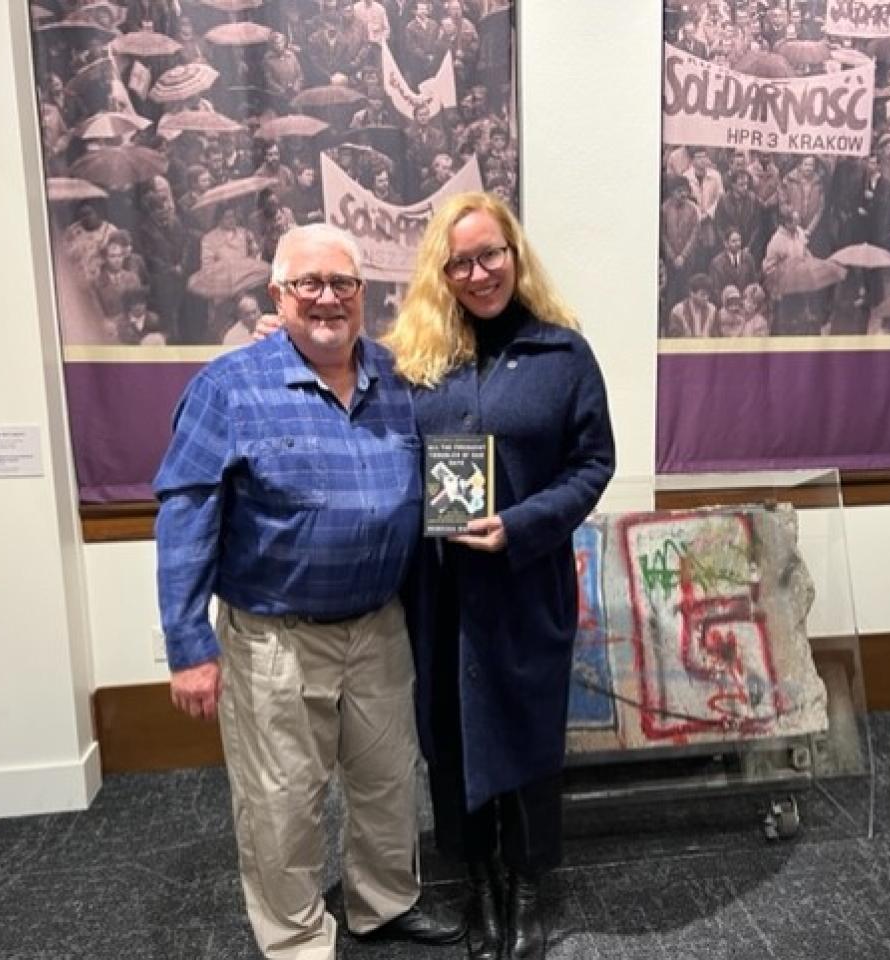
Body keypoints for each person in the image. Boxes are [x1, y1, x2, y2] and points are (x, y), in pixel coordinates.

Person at [155, 224, 463, 960]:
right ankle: (294, 938)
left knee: (387, 782)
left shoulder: (397, 379)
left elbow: (452, 466)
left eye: (343, 284)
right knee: (282, 800)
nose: (327, 298)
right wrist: (188, 645)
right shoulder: (228, 387)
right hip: (274, 637)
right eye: (308, 285)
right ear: (277, 296)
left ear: (365, 294)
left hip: (378, 627)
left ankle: (383, 905)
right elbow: (184, 516)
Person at [385, 192, 615, 960]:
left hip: (523, 581)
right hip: (439, 589)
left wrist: (522, 525)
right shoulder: (416, 362)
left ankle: (524, 885)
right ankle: (476, 879)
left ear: (515, 255)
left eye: (490, 255)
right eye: (460, 261)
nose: (478, 272)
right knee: (447, 736)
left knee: (524, 733)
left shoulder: (562, 355)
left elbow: (593, 463)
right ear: (440, 272)